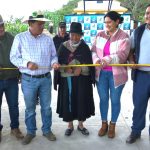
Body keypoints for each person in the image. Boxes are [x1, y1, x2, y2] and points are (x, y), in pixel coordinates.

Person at [10, 12, 59, 145]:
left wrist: (54, 62)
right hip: (28, 79)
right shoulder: (20, 38)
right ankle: (31, 132)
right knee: (30, 108)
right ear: (30, 24)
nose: (42, 26)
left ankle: (47, 130)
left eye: (43, 24)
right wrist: (27, 64)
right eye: (39, 24)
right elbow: (13, 57)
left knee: (46, 107)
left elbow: (54, 55)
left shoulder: (48, 39)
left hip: (45, 78)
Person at [91, 11, 130, 138]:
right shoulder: (100, 35)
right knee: (103, 99)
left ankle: (112, 125)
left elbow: (122, 55)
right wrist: (96, 60)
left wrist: (106, 59)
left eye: (109, 22)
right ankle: (104, 124)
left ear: (117, 21)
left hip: (116, 75)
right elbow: (93, 51)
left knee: (114, 100)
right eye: (105, 22)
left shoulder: (124, 36)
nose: (106, 25)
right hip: (101, 74)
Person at [54, 22, 95, 136]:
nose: (74, 37)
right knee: (68, 101)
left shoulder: (85, 47)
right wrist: (65, 69)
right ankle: (70, 125)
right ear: (69, 34)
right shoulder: (63, 46)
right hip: (67, 81)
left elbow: (90, 66)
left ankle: (81, 125)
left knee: (81, 100)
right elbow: (58, 63)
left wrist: (81, 69)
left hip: (82, 81)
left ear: (81, 35)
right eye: (72, 34)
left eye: (77, 35)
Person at [126, 4, 150, 144]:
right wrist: (131, 60)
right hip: (141, 75)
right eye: (147, 13)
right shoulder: (138, 31)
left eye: (149, 13)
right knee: (139, 105)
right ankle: (136, 131)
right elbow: (130, 50)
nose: (147, 16)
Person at [0, 15, 24, 142]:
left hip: (12, 79)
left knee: (14, 105)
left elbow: (19, 56)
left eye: (2, 25)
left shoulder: (12, 38)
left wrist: (20, 74)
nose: (1, 28)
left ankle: (15, 128)